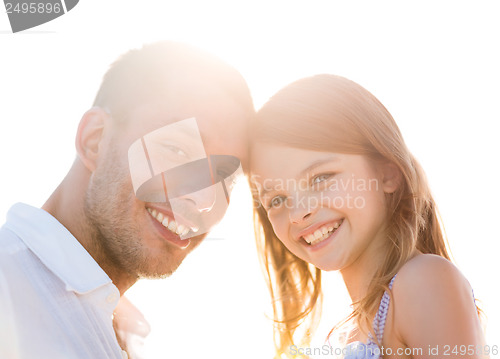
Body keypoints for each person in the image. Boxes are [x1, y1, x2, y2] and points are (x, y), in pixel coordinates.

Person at [0, 41, 254, 359]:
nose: (203, 199)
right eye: (177, 150)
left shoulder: (122, 332)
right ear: (94, 141)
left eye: (225, 178)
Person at [249, 74, 487, 358]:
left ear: (387, 173)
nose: (299, 213)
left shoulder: (423, 281)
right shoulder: (344, 332)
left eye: (321, 177)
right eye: (277, 199)